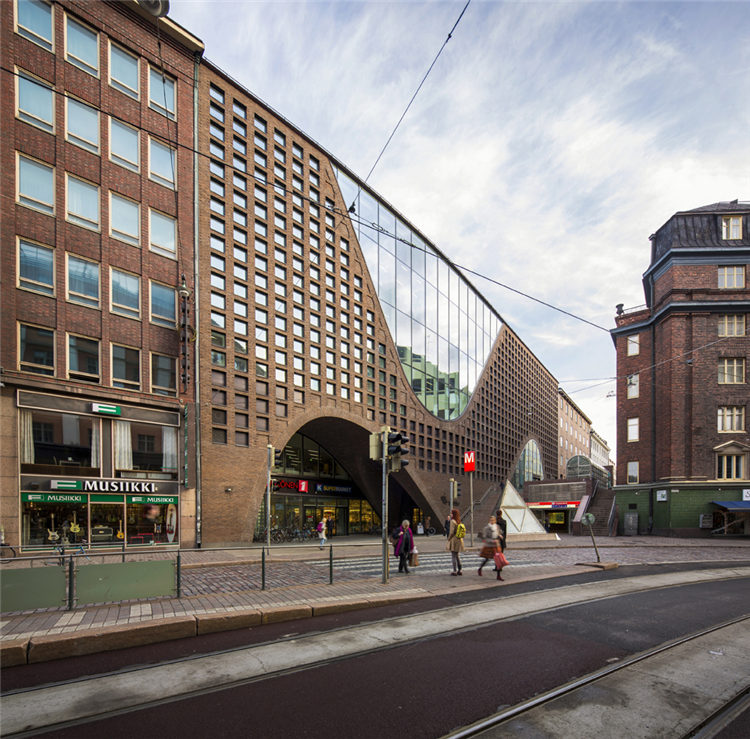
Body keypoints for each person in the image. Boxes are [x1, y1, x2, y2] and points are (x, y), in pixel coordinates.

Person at [447, 508, 464, 575]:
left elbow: (451, 532)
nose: (450, 514)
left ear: (453, 514)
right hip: (459, 539)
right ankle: (460, 570)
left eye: (451, 513)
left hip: (454, 539)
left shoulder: (452, 521)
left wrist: (449, 539)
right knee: (457, 555)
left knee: (453, 555)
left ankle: (454, 571)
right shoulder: (459, 521)